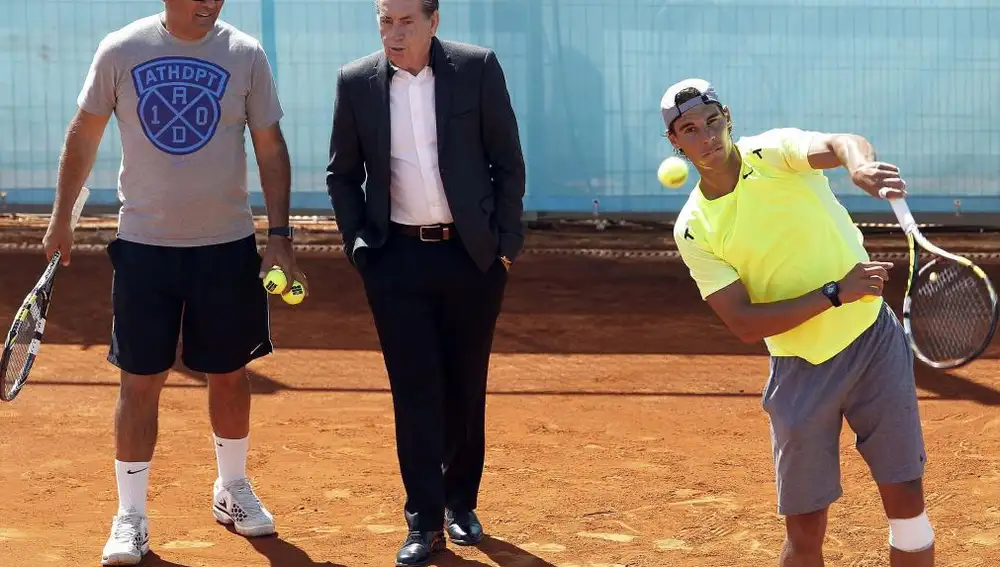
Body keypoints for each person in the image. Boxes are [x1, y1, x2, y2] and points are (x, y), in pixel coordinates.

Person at [42, 1, 304, 565]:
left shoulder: (245, 54)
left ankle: (232, 490)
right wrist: (61, 217)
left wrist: (279, 236)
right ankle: (130, 516)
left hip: (227, 247)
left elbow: (270, 146)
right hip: (144, 249)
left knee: (231, 377)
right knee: (139, 382)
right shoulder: (121, 49)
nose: (210, 2)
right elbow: (84, 133)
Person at [665, 78, 934, 567]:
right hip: (798, 368)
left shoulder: (770, 153)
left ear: (727, 117)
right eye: (690, 129)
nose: (707, 136)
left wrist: (860, 166)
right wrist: (835, 293)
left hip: (873, 343)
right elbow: (744, 323)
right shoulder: (693, 229)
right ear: (675, 142)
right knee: (805, 530)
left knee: (907, 506)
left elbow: (838, 143)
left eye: (712, 121)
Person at [325, 0, 525, 564]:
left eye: (405, 22)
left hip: (471, 258)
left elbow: (507, 161)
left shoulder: (477, 67)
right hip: (396, 262)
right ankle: (424, 520)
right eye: (384, 21)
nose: (393, 33)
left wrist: (504, 246)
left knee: (465, 386)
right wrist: (361, 247)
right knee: (414, 391)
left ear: (434, 21)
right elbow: (342, 174)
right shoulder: (356, 81)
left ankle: (462, 505)